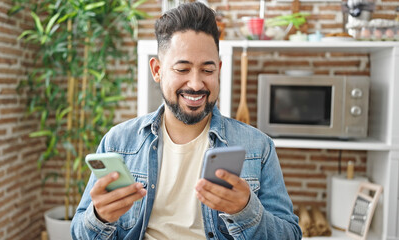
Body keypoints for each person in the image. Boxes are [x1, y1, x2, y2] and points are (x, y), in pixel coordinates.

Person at [71, 2, 302, 239]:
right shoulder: (118, 142)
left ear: (219, 70)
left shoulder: (258, 147)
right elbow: (78, 233)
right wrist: (99, 217)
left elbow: (290, 235)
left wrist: (245, 210)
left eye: (207, 71)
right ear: (157, 70)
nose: (196, 84)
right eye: (182, 69)